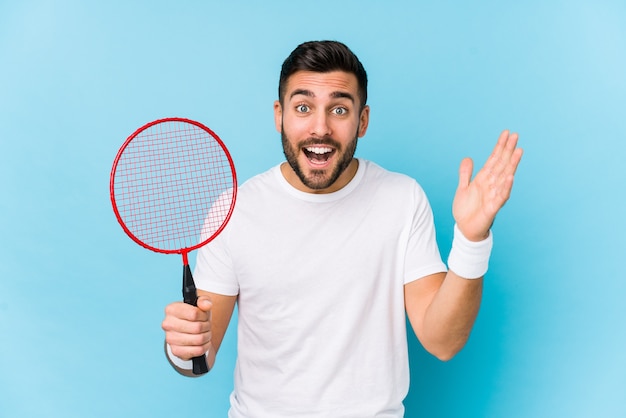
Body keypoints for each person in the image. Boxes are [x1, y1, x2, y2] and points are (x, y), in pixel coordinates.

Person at [161, 40, 523, 417]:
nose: (320, 127)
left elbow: (443, 342)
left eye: (338, 109)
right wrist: (183, 345)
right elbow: (198, 359)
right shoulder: (234, 210)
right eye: (303, 108)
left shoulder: (402, 199)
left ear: (362, 121)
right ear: (279, 115)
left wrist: (471, 240)